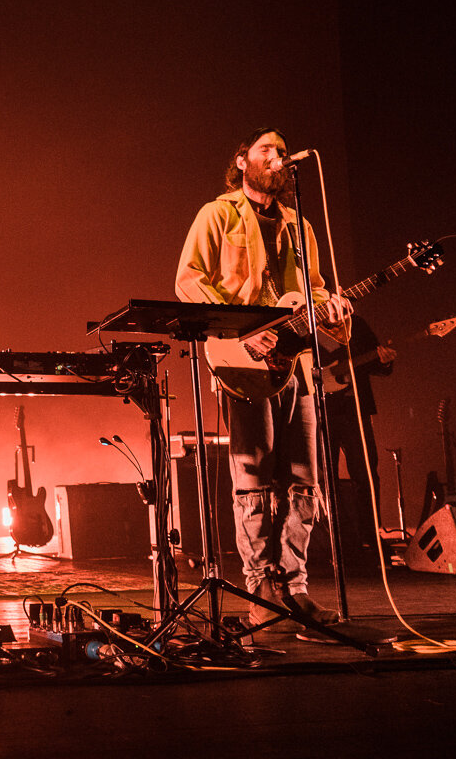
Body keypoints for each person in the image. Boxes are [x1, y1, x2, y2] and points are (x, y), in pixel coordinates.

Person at [176, 127, 351, 630]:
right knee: (252, 477)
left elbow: (314, 291)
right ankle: (260, 587)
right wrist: (241, 329)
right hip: (241, 361)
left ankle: (295, 587)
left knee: (304, 480)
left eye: (282, 152)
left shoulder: (301, 226)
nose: (278, 158)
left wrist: (334, 313)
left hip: (296, 365)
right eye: (267, 150)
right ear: (242, 160)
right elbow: (189, 279)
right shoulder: (217, 214)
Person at [321, 317, 395, 551]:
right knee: (325, 478)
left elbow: (375, 362)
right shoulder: (308, 322)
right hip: (321, 411)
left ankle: (371, 536)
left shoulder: (356, 324)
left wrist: (384, 362)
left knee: (367, 476)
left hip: (356, 410)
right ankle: (338, 538)